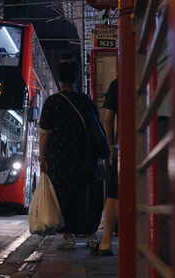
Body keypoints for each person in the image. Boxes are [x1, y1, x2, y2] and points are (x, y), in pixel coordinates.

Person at [38, 58, 106, 249]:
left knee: (64, 195)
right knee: (85, 195)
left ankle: (68, 236)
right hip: (85, 158)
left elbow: (44, 134)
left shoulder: (53, 102)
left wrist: (42, 158)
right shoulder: (86, 101)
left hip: (60, 158)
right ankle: (89, 233)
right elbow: (97, 129)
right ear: (76, 78)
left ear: (59, 80)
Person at [98, 78, 118, 256]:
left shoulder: (119, 83)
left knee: (114, 194)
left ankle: (106, 241)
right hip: (157, 143)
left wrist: (111, 146)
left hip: (125, 146)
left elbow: (108, 118)